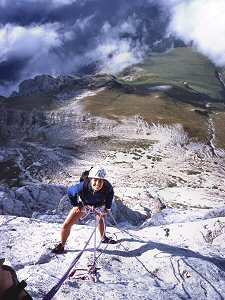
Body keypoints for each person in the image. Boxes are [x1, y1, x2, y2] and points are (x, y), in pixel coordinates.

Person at [52, 166, 116, 254]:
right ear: (90, 179)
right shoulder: (81, 187)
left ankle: (103, 237)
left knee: (102, 221)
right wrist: (76, 205)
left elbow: (110, 194)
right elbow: (70, 192)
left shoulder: (107, 186)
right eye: (95, 180)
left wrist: (108, 208)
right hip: (85, 204)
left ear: (103, 181)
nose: (98, 183)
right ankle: (61, 245)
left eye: (100, 180)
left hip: (99, 204)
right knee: (66, 225)